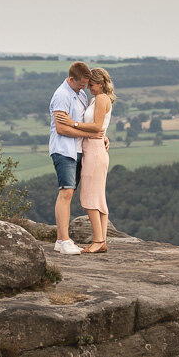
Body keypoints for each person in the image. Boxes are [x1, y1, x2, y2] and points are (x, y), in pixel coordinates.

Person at [48, 61, 102, 255]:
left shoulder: (79, 94)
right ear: (71, 79)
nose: (84, 87)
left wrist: (100, 136)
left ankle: (60, 240)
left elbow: (84, 123)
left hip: (77, 150)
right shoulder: (62, 95)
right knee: (66, 192)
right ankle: (63, 240)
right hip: (64, 150)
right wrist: (89, 135)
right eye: (80, 84)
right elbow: (62, 128)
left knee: (69, 193)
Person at [73, 67, 115, 253]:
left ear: (100, 83)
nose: (88, 86)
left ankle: (98, 240)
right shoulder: (95, 99)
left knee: (89, 197)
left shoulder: (101, 98)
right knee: (98, 197)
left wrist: (72, 124)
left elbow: (97, 126)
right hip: (94, 148)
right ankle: (102, 241)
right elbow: (99, 128)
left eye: (91, 83)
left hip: (94, 152)